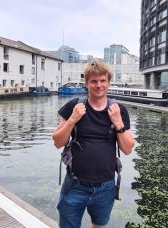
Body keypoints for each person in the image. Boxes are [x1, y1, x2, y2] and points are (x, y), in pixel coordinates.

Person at [52, 60, 135, 228]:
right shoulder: (74, 106)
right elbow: (58, 142)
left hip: (105, 186)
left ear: (109, 83)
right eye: (94, 81)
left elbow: (127, 149)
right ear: (86, 83)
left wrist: (118, 123)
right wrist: (72, 120)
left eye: (102, 81)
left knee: (98, 225)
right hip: (75, 184)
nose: (99, 85)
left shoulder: (118, 110)